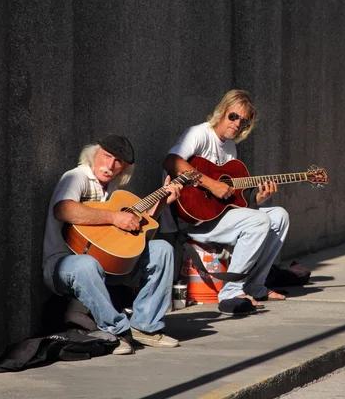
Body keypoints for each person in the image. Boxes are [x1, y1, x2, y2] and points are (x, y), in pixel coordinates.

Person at [42, 134, 181, 355]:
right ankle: (115, 331)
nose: (110, 165)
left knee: (163, 249)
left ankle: (145, 326)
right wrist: (114, 217)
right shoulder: (76, 177)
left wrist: (162, 202)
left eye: (118, 163)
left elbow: (133, 228)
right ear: (93, 153)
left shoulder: (113, 189)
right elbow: (63, 209)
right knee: (85, 265)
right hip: (63, 264)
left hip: (109, 263)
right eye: (107, 156)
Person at [160, 89, 289, 316]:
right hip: (191, 218)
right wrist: (211, 184)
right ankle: (231, 292)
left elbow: (232, 200)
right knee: (258, 221)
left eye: (244, 121)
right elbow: (171, 161)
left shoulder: (230, 147)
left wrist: (258, 199)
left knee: (279, 215)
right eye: (233, 116)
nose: (237, 123)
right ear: (222, 111)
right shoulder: (199, 134)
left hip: (216, 217)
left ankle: (255, 286)